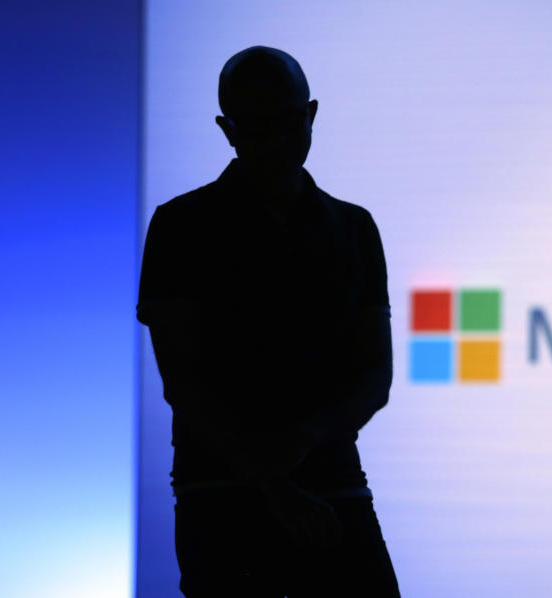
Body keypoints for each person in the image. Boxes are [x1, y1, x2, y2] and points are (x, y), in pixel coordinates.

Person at [136, 45, 401, 597]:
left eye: (284, 121)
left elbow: (375, 377)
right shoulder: (179, 227)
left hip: (308, 488)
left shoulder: (354, 227)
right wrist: (281, 480)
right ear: (227, 130)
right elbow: (184, 382)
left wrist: (289, 460)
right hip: (230, 495)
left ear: (311, 116)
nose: (275, 139)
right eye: (257, 126)